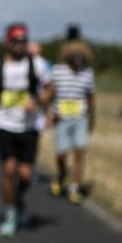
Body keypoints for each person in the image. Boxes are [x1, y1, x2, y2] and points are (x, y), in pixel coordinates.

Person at [0, 23, 54, 235]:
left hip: (29, 127)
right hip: (5, 125)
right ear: (7, 42)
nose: (20, 44)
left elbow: (50, 88)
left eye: (24, 40)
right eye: (15, 40)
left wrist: (38, 101)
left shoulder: (36, 64)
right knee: (9, 169)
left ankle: (18, 201)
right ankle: (11, 213)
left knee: (27, 175)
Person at [49, 39, 96, 203]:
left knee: (79, 153)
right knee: (61, 154)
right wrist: (49, 113)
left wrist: (92, 118)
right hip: (61, 118)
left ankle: (74, 188)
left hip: (80, 118)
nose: (79, 60)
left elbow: (90, 98)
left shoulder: (87, 73)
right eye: (76, 56)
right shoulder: (57, 71)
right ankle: (61, 174)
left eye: (81, 57)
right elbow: (50, 93)